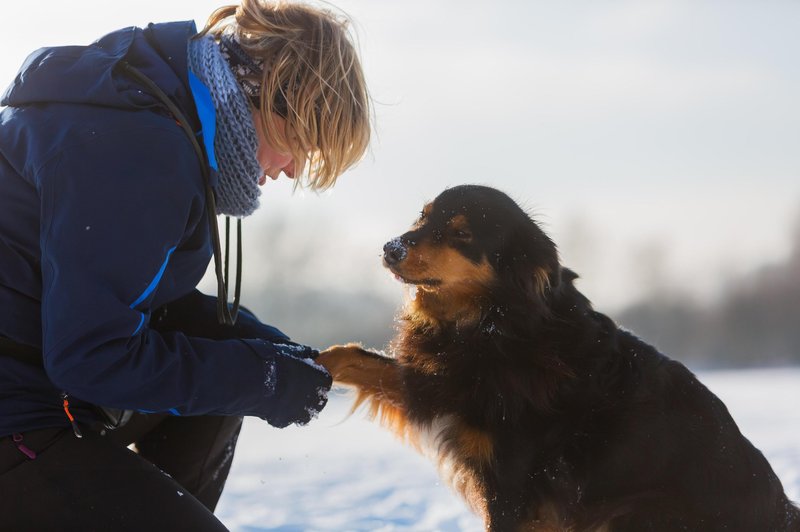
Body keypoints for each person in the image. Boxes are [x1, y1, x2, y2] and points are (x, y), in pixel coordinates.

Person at [0, 0, 370, 528]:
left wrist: (274, 354)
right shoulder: (142, 151)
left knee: (227, 355)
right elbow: (92, 356)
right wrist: (262, 378)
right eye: (302, 143)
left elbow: (130, 303)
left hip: (30, 388)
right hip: (15, 414)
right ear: (269, 97)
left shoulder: (144, 111)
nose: (291, 170)